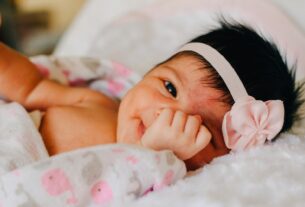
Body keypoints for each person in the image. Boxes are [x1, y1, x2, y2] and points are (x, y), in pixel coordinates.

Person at [0, 21, 303, 171]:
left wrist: (152, 156)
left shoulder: (159, 181)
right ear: (149, 72)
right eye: (170, 89)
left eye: (202, 130)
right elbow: (30, 88)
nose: (168, 117)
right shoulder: (96, 103)